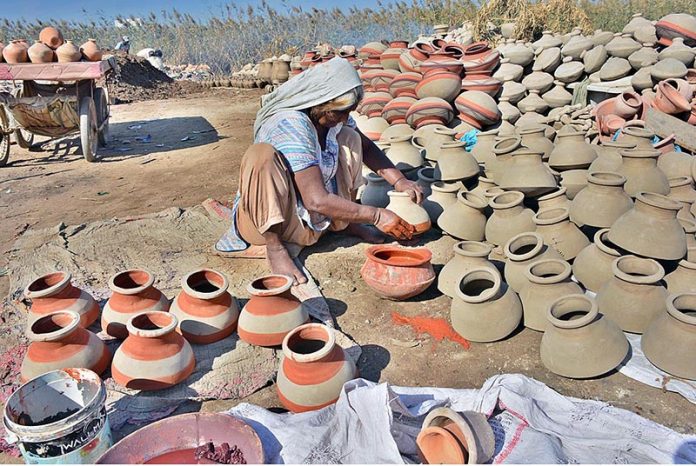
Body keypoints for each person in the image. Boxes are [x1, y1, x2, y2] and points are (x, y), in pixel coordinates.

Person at [216, 57, 423, 285]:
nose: (345, 118)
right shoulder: (291, 123)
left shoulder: (330, 118)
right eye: (340, 112)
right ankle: (275, 248)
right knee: (260, 156)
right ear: (320, 102)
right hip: (275, 223)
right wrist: (376, 215)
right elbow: (316, 200)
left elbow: (365, 145)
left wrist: (400, 181)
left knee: (350, 136)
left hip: (316, 221)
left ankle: (347, 223)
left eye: (349, 111)